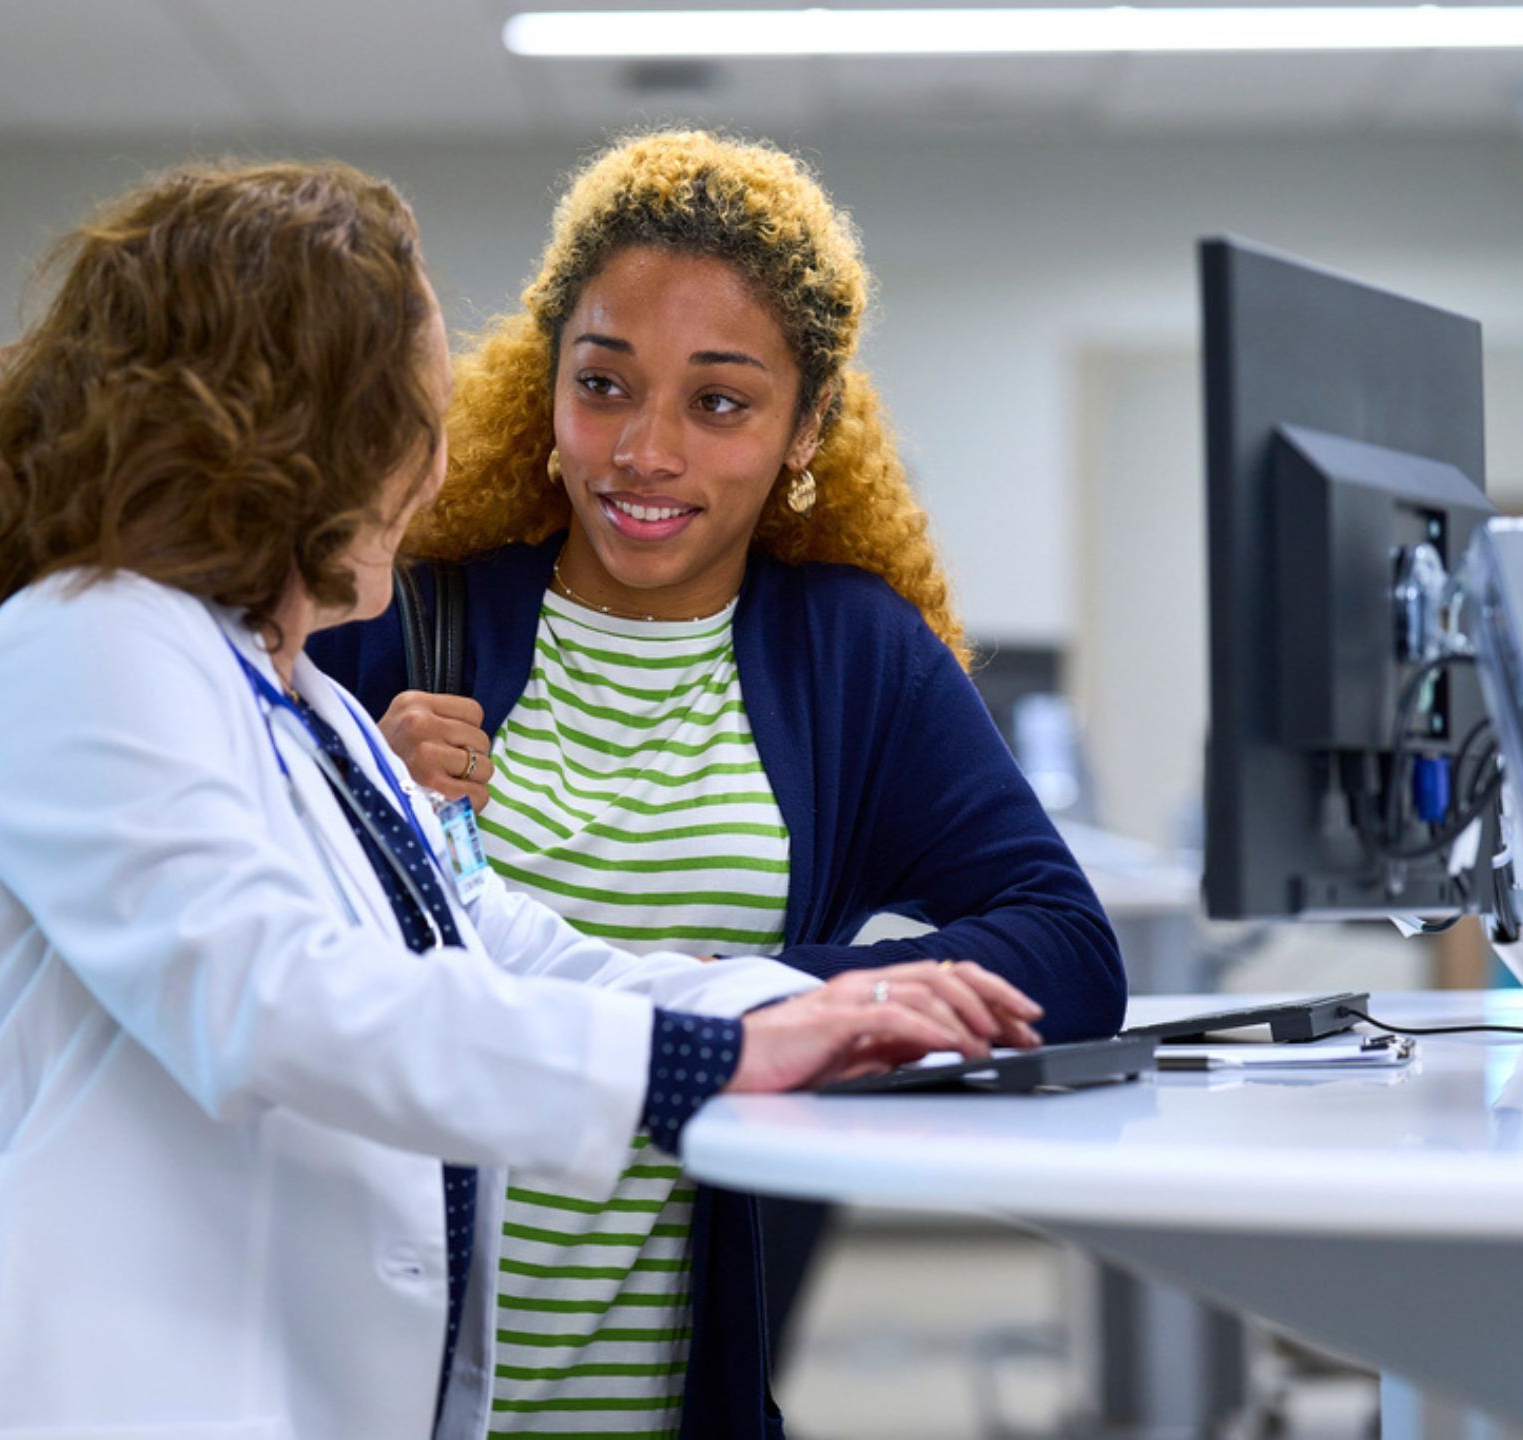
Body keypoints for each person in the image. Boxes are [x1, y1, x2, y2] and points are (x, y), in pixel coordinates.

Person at [0, 160, 1039, 1440]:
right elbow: (274, 996)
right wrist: (718, 1056)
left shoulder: (304, 706)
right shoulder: (85, 645)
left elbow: (494, 939)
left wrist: (810, 1005)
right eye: (416, 416)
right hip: (74, 1385)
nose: (436, 470)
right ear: (289, 429)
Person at [308, 129, 1127, 1436]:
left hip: (672, 1398)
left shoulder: (854, 660)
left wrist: (770, 1008)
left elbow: (1070, 952)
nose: (645, 450)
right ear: (547, 386)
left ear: (806, 423)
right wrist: (354, 810)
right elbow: (251, 960)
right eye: (605, 384)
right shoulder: (396, 623)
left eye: (720, 402)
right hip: (372, 1383)